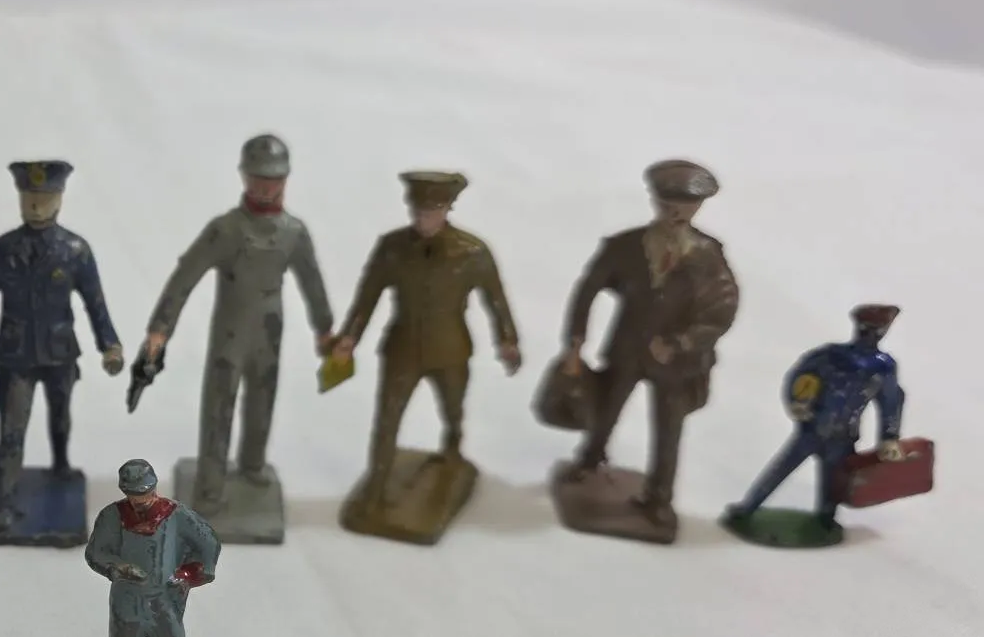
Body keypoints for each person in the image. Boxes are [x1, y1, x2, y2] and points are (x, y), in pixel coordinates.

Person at [142, 134, 333, 512]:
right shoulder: (226, 229)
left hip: (269, 330)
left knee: (263, 398)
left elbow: (312, 281)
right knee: (219, 403)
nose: (266, 187)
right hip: (230, 332)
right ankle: (211, 483)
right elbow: (186, 276)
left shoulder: (293, 232)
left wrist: (324, 328)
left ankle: (253, 464)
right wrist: (161, 327)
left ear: (286, 179)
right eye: (258, 178)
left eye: (274, 179)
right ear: (244, 176)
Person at [560, 159, 740, 529]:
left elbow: (722, 310)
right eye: (666, 204)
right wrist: (575, 343)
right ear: (654, 201)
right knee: (606, 408)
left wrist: (682, 342)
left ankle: (659, 497)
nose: (675, 213)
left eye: (685, 207)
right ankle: (590, 459)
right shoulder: (625, 246)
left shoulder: (708, 255)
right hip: (627, 350)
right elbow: (587, 289)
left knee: (668, 430)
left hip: (676, 363)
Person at [331, 171, 518, 512]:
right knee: (387, 418)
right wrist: (349, 338)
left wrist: (507, 340)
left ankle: (452, 453)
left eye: (432, 211)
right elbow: (367, 297)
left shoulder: (472, 252)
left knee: (453, 410)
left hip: (450, 349)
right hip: (402, 348)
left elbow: (496, 300)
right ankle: (377, 484)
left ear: (447, 209)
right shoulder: (392, 248)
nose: (424, 219)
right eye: (418, 211)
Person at [0, 160, 123, 530]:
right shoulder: (2, 250)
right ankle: (5, 501)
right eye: (29, 197)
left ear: (59, 198)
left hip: (60, 351)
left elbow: (95, 301)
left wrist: (109, 345)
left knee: (61, 417)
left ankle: (61, 465)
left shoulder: (75, 250)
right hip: (16, 355)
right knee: (12, 429)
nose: (35, 205)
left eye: (45, 198)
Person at [724, 304, 908, 532]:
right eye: (865, 329)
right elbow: (800, 376)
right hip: (812, 427)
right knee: (781, 469)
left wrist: (889, 437)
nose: (869, 335)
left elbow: (891, 401)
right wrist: (797, 403)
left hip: (843, 436)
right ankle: (748, 507)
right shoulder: (830, 356)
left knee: (832, 482)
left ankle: (825, 519)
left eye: (876, 330)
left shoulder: (882, 367)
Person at [84, 459, 220, 637]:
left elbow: (208, 543)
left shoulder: (176, 515)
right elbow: (96, 552)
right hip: (125, 603)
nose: (141, 501)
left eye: (145, 493)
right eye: (134, 494)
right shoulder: (113, 517)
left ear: (154, 488)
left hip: (162, 605)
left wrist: (188, 574)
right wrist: (118, 567)